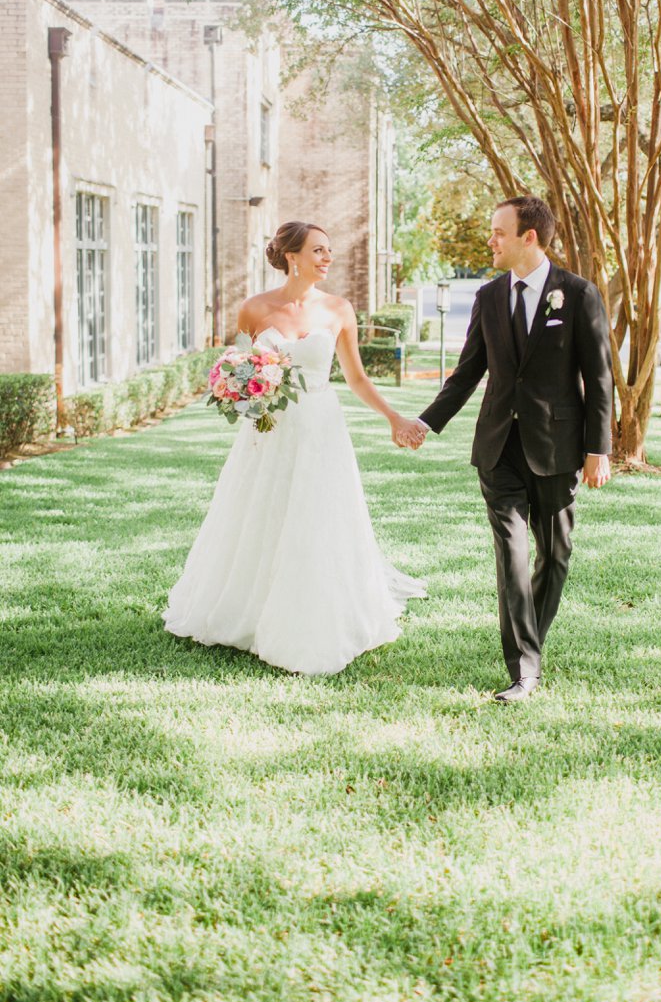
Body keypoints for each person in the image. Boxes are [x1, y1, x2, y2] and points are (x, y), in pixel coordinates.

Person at [164, 221, 426, 674]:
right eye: (318, 250)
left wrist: (394, 418)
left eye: (329, 250)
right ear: (292, 257)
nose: (327, 258)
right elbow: (238, 370)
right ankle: (246, 609)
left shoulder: (339, 309)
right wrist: (243, 393)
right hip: (268, 429)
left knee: (317, 515)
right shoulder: (253, 309)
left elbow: (357, 379)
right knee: (259, 512)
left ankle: (315, 609)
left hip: (321, 428)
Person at [409, 196, 613, 702]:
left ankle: (530, 644)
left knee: (557, 554)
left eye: (499, 232)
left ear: (530, 237)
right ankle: (524, 669)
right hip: (498, 447)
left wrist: (598, 448)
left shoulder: (578, 294)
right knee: (513, 558)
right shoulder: (488, 296)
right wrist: (425, 421)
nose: (491, 241)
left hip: (557, 447)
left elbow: (600, 377)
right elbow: (467, 372)